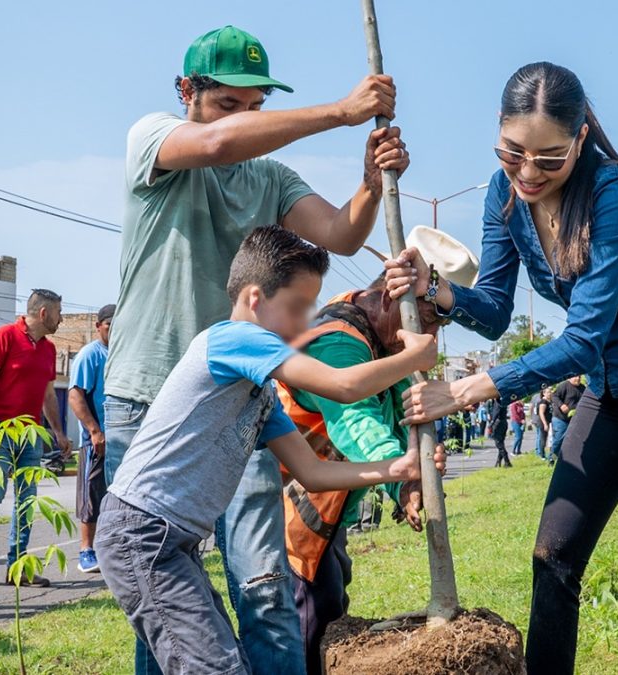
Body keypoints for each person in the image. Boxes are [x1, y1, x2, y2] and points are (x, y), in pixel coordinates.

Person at [386, 62, 618, 674]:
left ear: (580, 138)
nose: (527, 173)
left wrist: (468, 390)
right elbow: (492, 312)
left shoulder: (614, 196)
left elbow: (582, 341)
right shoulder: (504, 194)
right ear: (498, 130)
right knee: (554, 555)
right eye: (513, 152)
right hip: (613, 392)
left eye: (549, 159)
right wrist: (436, 289)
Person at [101, 25, 410, 674]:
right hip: (146, 396)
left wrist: (370, 180)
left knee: (266, 587)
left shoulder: (269, 176)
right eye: (228, 103)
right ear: (187, 92)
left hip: (240, 401)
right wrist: (339, 112)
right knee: (161, 603)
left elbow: (342, 234)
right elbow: (211, 145)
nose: (242, 120)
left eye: (255, 107)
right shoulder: (152, 139)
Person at [95, 226, 439, 675]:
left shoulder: (257, 394)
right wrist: (417, 355)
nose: (305, 323)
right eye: (297, 308)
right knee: (215, 668)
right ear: (255, 299)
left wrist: (399, 468)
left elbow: (312, 472)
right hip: (141, 535)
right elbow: (344, 385)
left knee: (223, 662)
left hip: (170, 543)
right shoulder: (233, 338)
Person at [271, 229, 472, 672]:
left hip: (329, 513)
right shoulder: (338, 341)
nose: (432, 336)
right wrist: (403, 475)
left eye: (440, 323)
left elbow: (402, 410)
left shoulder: (381, 335)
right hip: (288, 518)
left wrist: (412, 479)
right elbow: (358, 424)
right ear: (388, 300)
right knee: (306, 623)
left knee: (329, 601)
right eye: (425, 320)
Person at [0, 289, 73, 588]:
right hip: (0, 429)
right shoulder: (4, 336)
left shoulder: (49, 350)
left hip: (32, 434)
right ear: (43, 313)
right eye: (58, 313)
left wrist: (59, 432)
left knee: (26, 500)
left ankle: (18, 566)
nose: (61, 319)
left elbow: (48, 394)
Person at [67, 304, 114, 574]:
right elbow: (75, 395)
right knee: (91, 497)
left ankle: (108, 549)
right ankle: (86, 550)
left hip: (120, 440)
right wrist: (95, 431)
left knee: (113, 498)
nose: (115, 330)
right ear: (99, 326)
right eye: (109, 325)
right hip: (95, 441)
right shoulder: (90, 355)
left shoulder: (121, 354)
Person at [550, 375, 584, 462]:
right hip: (560, 418)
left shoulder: (582, 388)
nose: (578, 378)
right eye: (576, 377)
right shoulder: (564, 385)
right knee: (559, 438)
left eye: (579, 377)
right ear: (570, 378)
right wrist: (561, 405)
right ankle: (552, 458)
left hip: (573, 419)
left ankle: (567, 458)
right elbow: (554, 396)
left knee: (572, 439)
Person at [491, 398, 512, 468]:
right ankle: (498, 461)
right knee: (501, 442)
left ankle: (507, 461)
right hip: (504, 422)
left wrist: (491, 423)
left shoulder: (497, 402)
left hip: (498, 422)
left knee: (498, 443)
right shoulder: (504, 401)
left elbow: (496, 413)